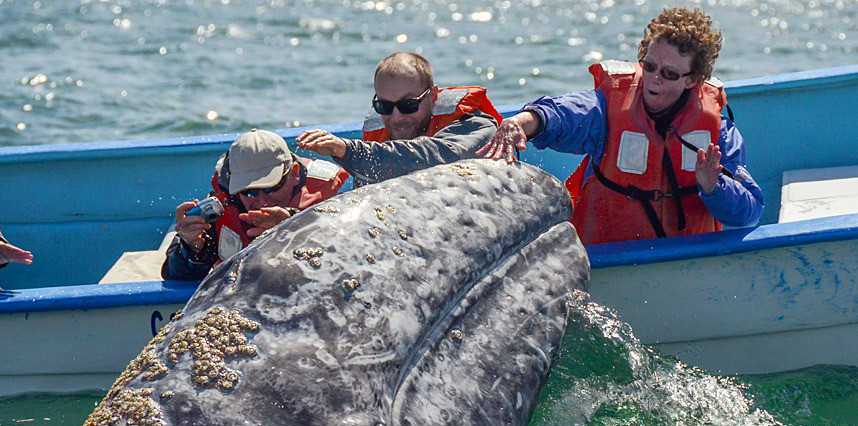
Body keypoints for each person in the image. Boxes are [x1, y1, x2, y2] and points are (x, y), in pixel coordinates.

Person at [478, 7, 764, 245]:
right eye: (649, 66)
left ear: (692, 80)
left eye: (668, 73)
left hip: (685, 264)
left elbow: (750, 213)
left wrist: (714, 186)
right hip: (609, 260)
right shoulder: (608, 109)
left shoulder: (719, 133)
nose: (654, 79)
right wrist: (521, 122)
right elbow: (563, 114)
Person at [162, 129, 349, 280]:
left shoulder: (331, 201)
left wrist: (295, 227)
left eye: (271, 188)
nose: (261, 201)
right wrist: (192, 247)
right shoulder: (221, 208)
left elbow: (349, 260)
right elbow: (175, 275)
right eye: (248, 192)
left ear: (294, 173)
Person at [296, 52, 502, 186]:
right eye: (384, 106)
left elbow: (433, 156)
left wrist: (348, 151)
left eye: (408, 105)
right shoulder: (377, 143)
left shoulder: (477, 127)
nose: (396, 118)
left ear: (433, 97)